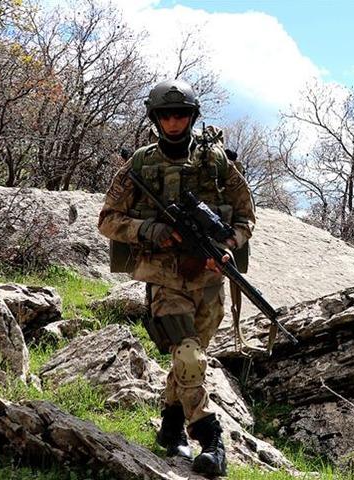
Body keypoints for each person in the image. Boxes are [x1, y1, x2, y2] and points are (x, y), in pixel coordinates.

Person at [98, 79, 255, 477]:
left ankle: (171, 429)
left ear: (192, 116)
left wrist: (227, 247)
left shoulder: (218, 163)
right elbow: (107, 221)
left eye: (180, 114)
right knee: (188, 357)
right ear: (154, 118)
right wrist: (149, 231)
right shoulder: (139, 165)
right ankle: (212, 440)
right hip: (165, 278)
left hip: (208, 279)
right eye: (165, 115)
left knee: (190, 363)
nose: (172, 122)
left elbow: (246, 216)